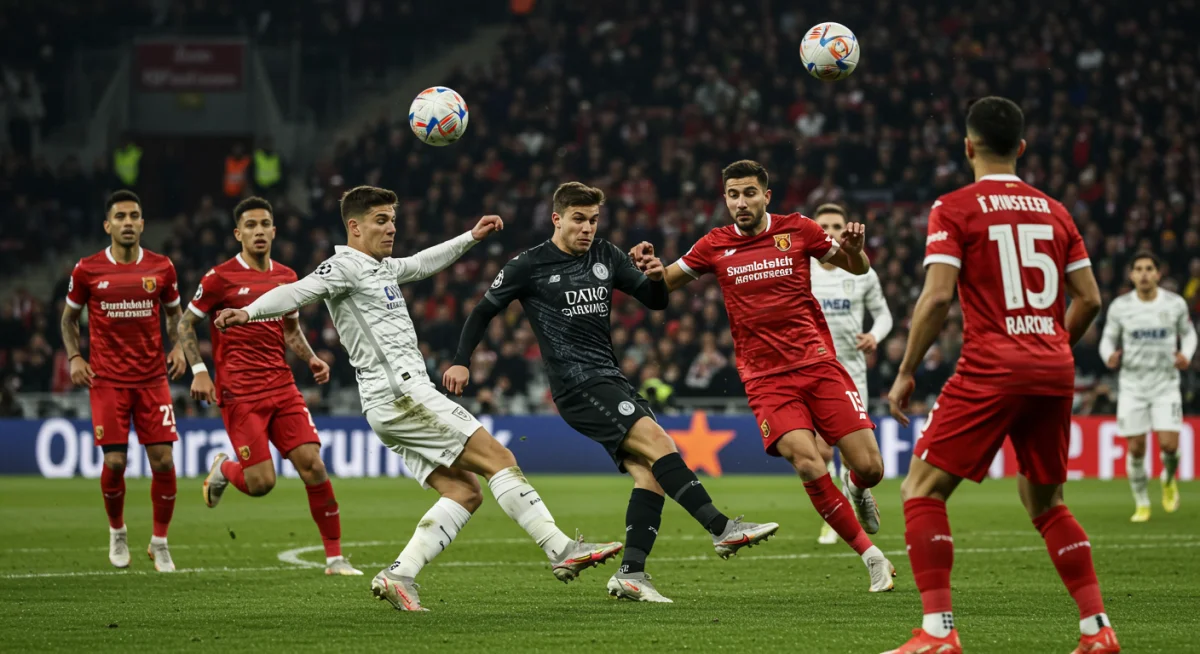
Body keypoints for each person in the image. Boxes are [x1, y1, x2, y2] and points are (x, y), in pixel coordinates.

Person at [214, 186, 621, 611]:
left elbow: (423, 263)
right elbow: (298, 291)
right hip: (403, 393)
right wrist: (249, 312)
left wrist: (470, 237)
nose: (391, 228)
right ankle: (559, 548)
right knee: (499, 458)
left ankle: (399, 574)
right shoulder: (342, 267)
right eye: (381, 220)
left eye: (392, 219)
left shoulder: (380, 267)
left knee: (464, 492)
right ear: (354, 226)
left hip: (388, 403)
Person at [446, 182, 779, 603]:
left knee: (650, 475)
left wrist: (656, 275)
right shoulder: (528, 265)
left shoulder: (606, 254)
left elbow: (653, 301)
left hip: (609, 378)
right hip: (575, 382)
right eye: (579, 220)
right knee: (660, 443)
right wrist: (460, 359)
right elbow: (482, 311)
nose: (587, 228)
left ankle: (631, 574)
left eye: (593, 220)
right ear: (557, 219)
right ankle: (721, 528)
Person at [885, 96, 1117, 653]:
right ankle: (1097, 630)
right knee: (1047, 503)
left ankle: (938, 632)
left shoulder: (955, 207)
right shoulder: (1057, 211)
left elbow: (938, 296)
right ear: (1022, 147)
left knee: (921, 490)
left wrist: (906, 371)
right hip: (1054, 368)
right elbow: (1089, 298)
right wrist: (1053, 343)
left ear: (967, 147)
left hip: (992, 364)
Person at [630, 159, 896, 594]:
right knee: (809, 462)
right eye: (732, 195)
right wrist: (651, 272)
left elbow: (859, 269)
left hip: (819, 365)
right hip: (766, 379)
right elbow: (660, 289)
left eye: (749, 193)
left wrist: (852, 248)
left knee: (871, 467)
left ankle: (858, 485)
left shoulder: (799, 229)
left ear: (766, 195)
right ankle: (873, 558)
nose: (740, 203)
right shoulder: (714, 245)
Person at [177, 196, 361, 576]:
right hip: (240, 393)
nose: (258, 231)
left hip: (281, 385)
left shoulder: (287, 277)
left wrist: (310, 357)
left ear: (274, 231)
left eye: (265, 224)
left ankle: (335, 558)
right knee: (262, 484)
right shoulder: (219, 278)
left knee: (313, 466)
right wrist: (198, 369)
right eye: (250, 226)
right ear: (238, 233)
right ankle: (224, 470)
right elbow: (184, 324)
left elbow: (291, 329)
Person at [61, 190, 188, 572]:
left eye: (134, 216)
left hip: (152, 380)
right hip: (108, 382)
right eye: (121, 217)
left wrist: (179, 347)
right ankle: (117, 531)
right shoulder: (87, 270)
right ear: (108, 225)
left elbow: (174, 316)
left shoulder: (162, 268)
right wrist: (74, 357)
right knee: (115, 462)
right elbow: (68, 319)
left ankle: (160, 542)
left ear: (143, 224)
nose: (128, 222)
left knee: (164, 460)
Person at [808, 203, 893, 545]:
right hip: (812, 372)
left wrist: (875, 335)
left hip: (852, 375)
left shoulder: (862, 273)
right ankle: (834, 515)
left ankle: (854, 493)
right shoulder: (801, 269)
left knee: (856, 456)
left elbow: (884, 315)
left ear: (846, 230)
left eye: (835, 225)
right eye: (823, 225)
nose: (829, 231)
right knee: (820, 450)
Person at [1099, 251, 1197, 522]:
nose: (1143, 274)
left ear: (1158, 273)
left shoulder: (1174, 304)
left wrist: (1186, 354)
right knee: (1137, 448)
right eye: (1138, 269)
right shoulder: (1121, 306)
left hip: (1165, 384)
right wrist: (1109, 355)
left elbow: (1189, 334)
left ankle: (1167, 478)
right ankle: (1142, 502)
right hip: (1132, 385)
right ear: (1131, 275)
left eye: (1149, 268)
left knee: (1168, 445)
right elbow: (1107, 339)